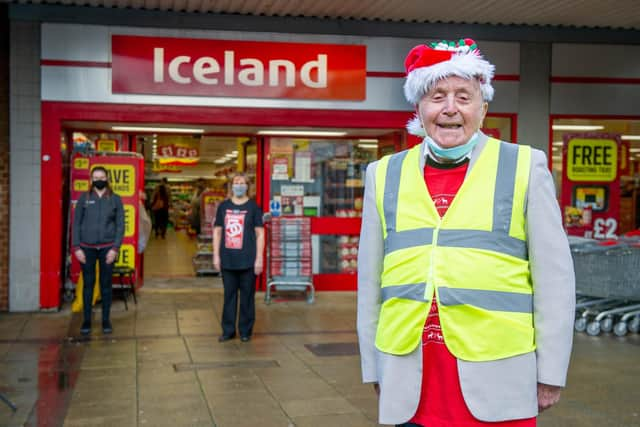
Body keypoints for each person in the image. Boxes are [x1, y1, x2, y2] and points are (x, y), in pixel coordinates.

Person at [356, 39, 576, 427]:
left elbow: (555, 281)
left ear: (483, 107)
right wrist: (373, 366)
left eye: (463, 96)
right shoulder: (383, 173)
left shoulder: (525, 166)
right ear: (418, 108)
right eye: (436, 96)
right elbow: (370, 281)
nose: (450, 109)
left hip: (497, 372)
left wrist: (551, 371)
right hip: (410, 371)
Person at [72, 166, 125, 336]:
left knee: (106, 286)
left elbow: (120, 226)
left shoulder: (115, 199)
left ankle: (105, 320)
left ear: (107, 178)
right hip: (86, 249)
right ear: (91, 179)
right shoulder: (84, 198)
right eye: (95, 177)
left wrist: (115, 248)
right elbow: (76, 224)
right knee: (88, 285)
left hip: (107, 249)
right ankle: (87, 321)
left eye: (102, 176)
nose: (99, 180)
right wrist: (76, 247)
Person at [213, 173, 265, 343]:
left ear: (247, 186)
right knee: (229, 296)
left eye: (242, 183)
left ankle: (245, 331)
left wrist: (259, 259)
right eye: (236, 183)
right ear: (231, 186)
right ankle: (228, 331)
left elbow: (260, 234)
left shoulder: (254, 208)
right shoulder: (223, 207)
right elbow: (217, 232)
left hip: (248, 261)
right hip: (228, 260)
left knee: (247, 298)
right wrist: (216, 256)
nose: (239, 186)